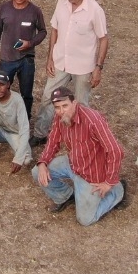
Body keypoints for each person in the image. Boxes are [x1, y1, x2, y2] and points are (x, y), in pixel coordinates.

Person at [32, 86, 127, 226]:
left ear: (74, 103)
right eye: (57, 107)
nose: (61, 111)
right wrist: (42, 163)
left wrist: (109, 182)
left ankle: (118, 191)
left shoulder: (93, 119)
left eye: (65, 106)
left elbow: (116, 151)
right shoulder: (60, 118)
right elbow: (53, 141)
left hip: (91, 174)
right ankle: (65, 196)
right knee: (37, 172)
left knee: (85, 220)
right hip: (73, 164)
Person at [32, 0, 108, 142]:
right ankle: (40, 133)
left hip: (83, 66)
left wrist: (98, 67)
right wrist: (50, 58)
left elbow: (103, 39)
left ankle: (81, 137)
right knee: (47, 97)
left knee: (81, 104)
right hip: (60, 62)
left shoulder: (94, 9)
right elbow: (55, 30)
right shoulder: (61, 3)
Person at [0, 0, 47, 119]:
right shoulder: (3, 9)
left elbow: (43, 31)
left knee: (26, 93)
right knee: (1, 89)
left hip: (27, 59)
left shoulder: (35, 11)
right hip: (7, 58)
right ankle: (1, 118)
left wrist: (30, 43)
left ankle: (24, 120)